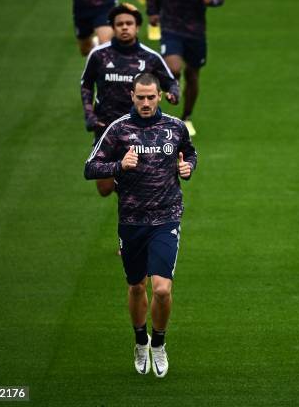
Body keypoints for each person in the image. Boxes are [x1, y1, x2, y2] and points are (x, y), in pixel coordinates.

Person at [84, 72, 197, 378]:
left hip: (166, 217)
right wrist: (119, 165)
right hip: (132, 221)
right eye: (140, 97)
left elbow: (191, 153)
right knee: (136, 286)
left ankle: (158, 343)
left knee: (161, 289)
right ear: (132, 96)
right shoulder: (118, 130)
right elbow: (90, 167)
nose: (146, 103)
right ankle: (140, 340)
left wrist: (187, 167)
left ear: (159, 96)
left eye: (151, 97)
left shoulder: (175, 127)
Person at [81, 2, 180, 197]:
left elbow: (171, 82)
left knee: (140, 182)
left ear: (136, 27)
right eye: (120, 24)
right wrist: (89, 115)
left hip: (140, 130)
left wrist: (173, 94)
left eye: (129, 23)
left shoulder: (150, 57)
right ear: (113, 27)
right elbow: (86, 84)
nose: (124, 27)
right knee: (104, 189)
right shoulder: (99, 55)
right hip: (107, 128)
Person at [146, 0, 225, 136]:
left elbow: (218, 1)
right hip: (170, 28)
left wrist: (211, 1)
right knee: (174, 68)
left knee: (192, 75)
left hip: (196, 32)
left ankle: (187, 117)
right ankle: (167, 95)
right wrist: (152, 12)